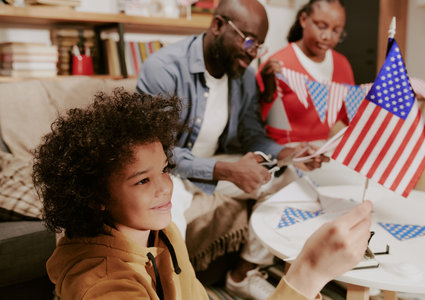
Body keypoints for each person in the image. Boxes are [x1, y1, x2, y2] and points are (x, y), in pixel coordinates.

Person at [33, 89, 373, 299]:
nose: (165, 187)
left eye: (164, 170)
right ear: (96, 197)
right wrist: (307, 271)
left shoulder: (163, 232)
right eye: (142, 181)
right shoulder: (104, 288)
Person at [136, 0, 328, 298]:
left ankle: (243, 273)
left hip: (213, 162)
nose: (253, 54)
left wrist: (286, 153)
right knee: (170, 220)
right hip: (166, 169)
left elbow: (253, 135)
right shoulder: (164, 68)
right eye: (249, 41)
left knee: (291, 184)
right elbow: (158, 152)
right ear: (217, 26)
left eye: (259, 46)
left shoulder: (244, 78)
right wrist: (226, 170)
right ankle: (175, 293)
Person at [257, 0, 354, 145]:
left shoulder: (342, 65)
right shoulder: (277, 64)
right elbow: (254, 124)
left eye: (336, 31)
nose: (327, 36)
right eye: (321, 27)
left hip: (324, 149)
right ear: (303, 20)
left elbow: (351, 119)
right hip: (286, 150)